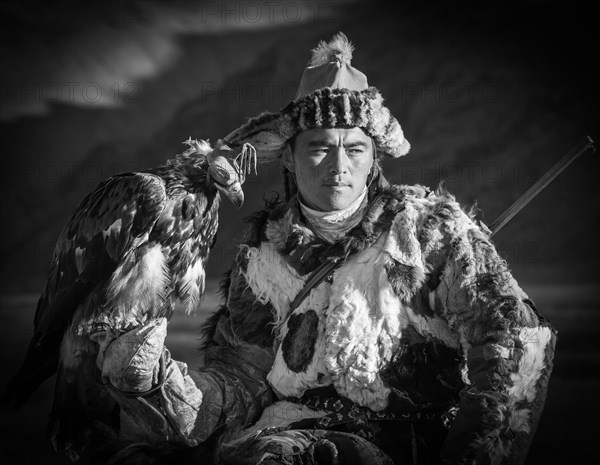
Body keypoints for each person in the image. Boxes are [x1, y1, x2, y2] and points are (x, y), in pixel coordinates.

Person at [94, 32, 556, 465]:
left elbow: (519, 342)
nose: (338, 166)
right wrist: (158, 383)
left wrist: (471, 454)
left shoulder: (430, 233)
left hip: (407, 444)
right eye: (318, 147)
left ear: (375, 157)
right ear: (290, 158)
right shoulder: (261, 260)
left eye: (354, 149)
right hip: (280, 441)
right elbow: (239, 383)